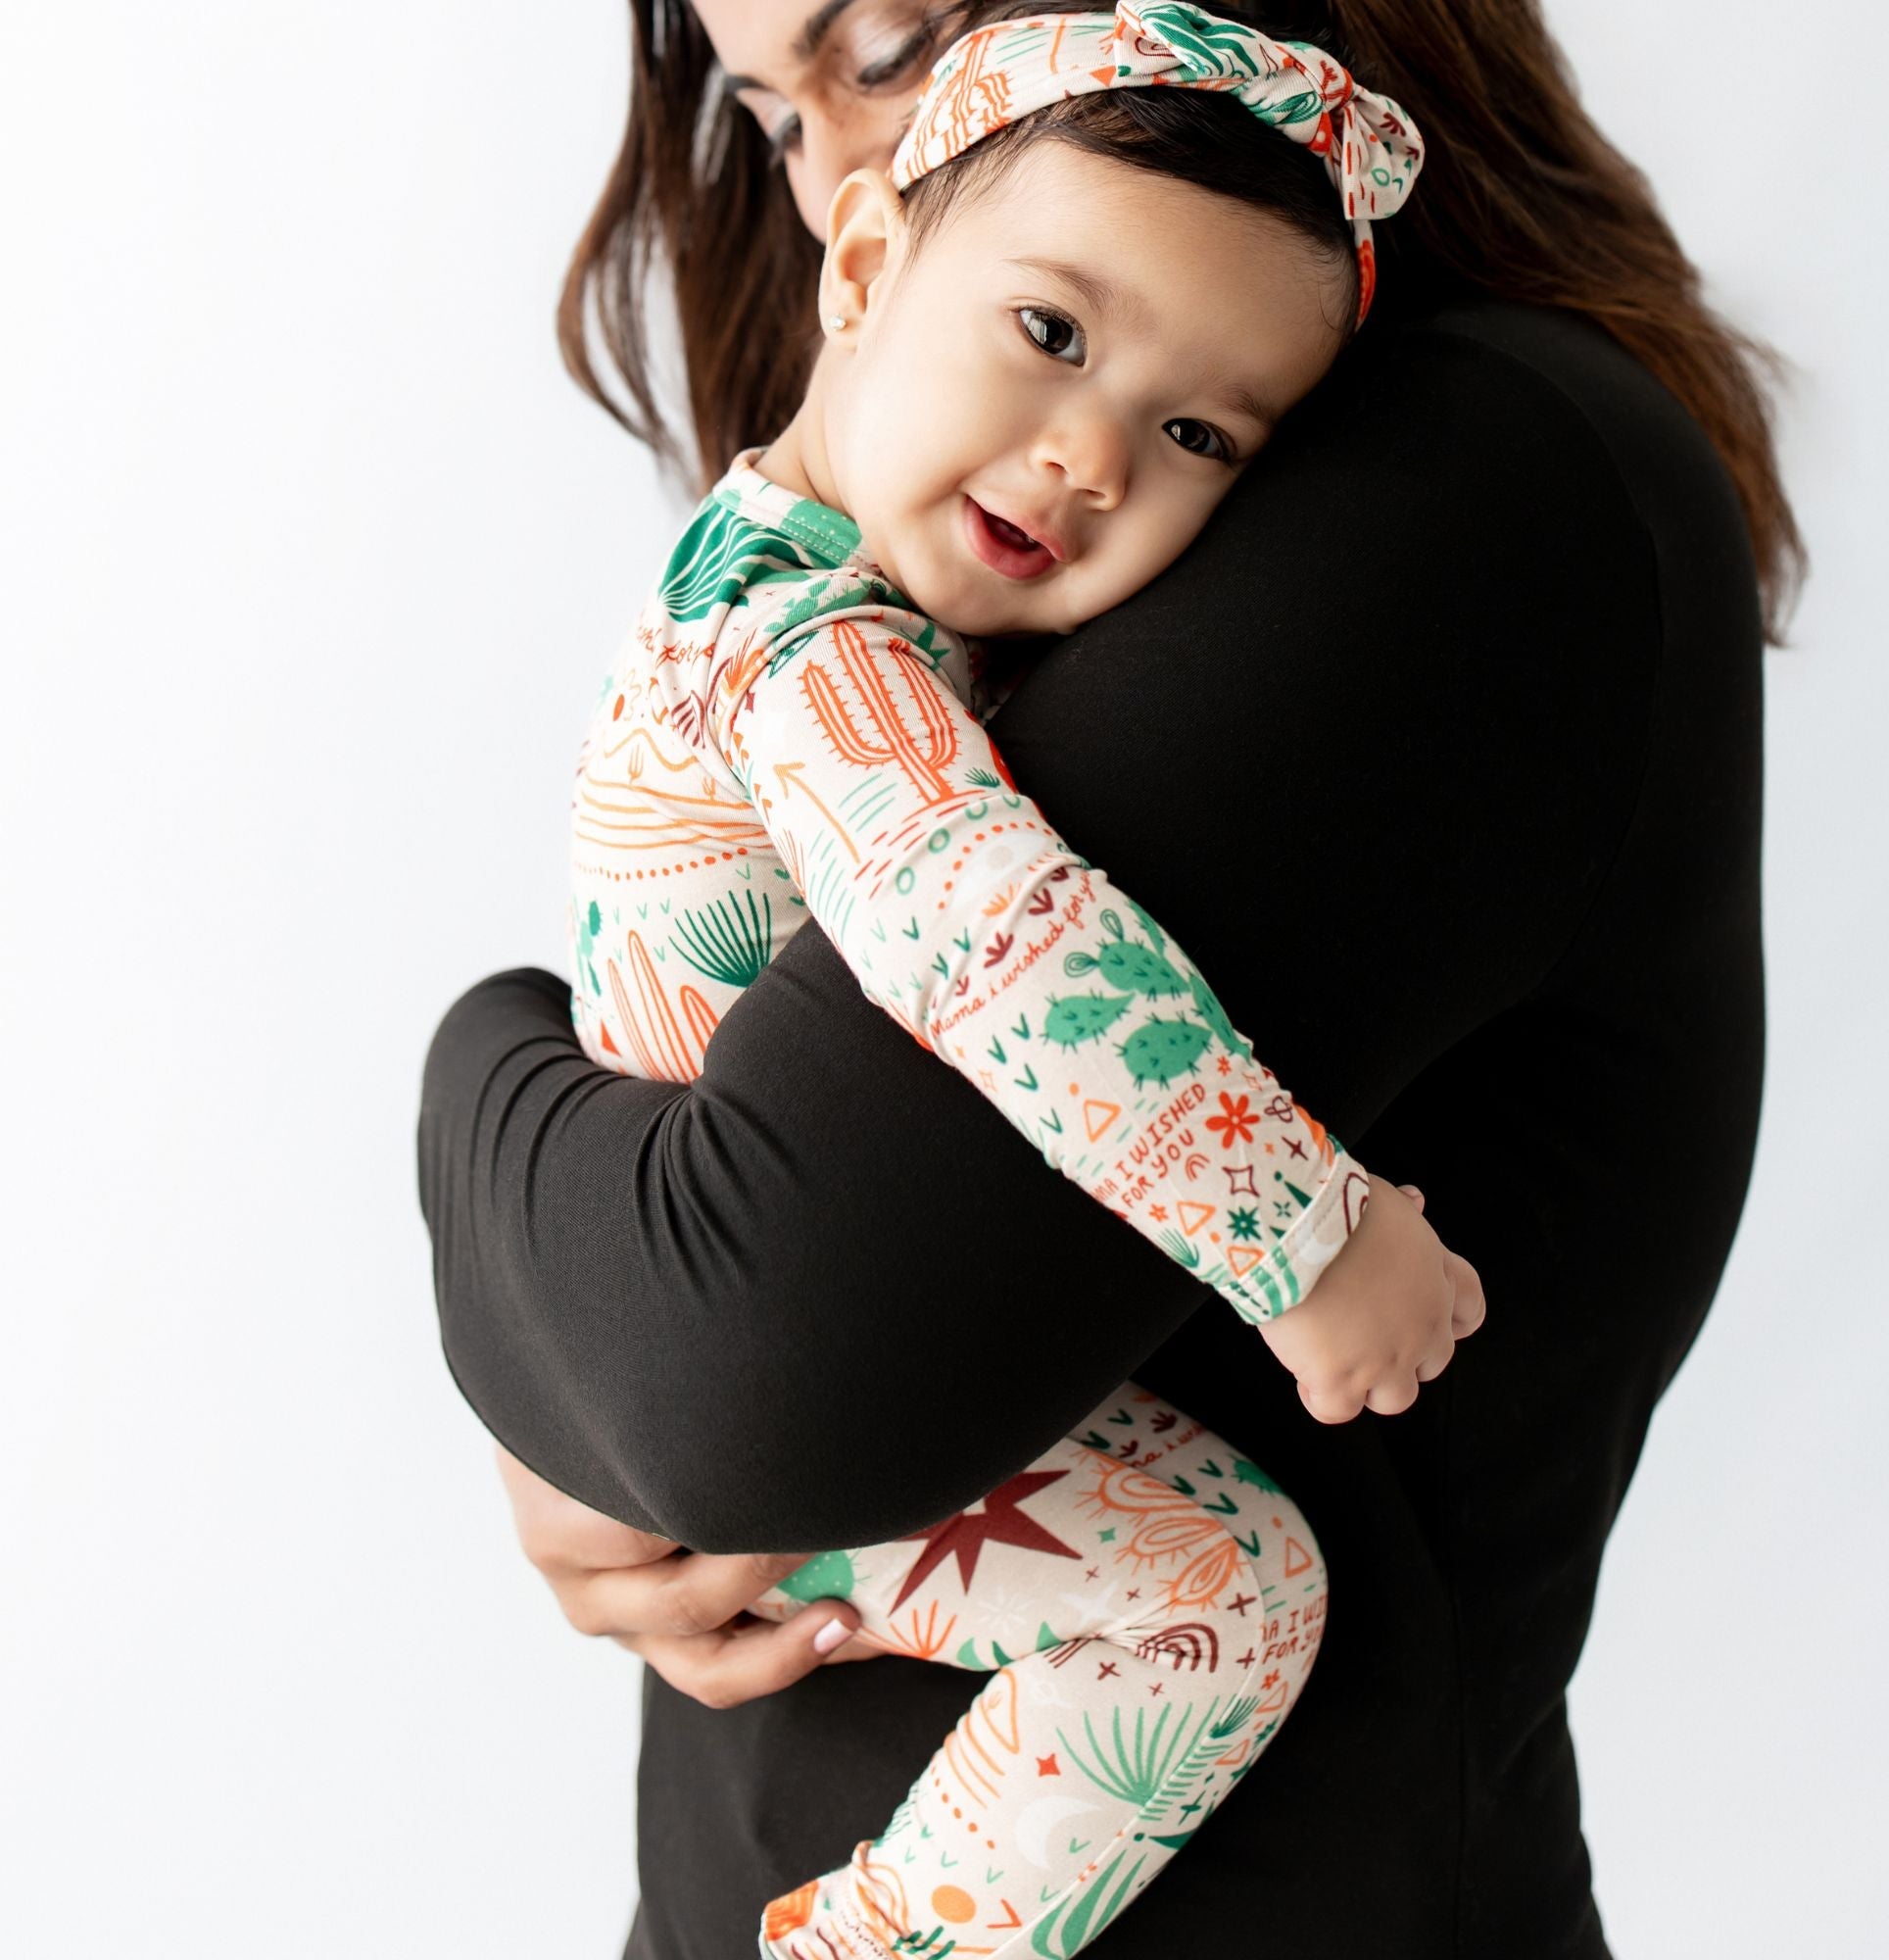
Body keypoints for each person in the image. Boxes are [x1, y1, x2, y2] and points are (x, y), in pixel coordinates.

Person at [416, 1, 1797, 1952]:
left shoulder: (1455, 477)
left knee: (1218, 1590)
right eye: (771, 110)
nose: (825, 170)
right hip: (750, 1877)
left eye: (884, 43)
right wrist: (574, 1338)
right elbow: (726, 1322)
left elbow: (744, 1356)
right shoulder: (840, 619)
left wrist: (507, 1165)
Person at [563, 14, 1484, 1949]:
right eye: (1051, 332)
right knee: (1219, 1595)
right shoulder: (812, 655)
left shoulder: (777, 577)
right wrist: (1306, 1239)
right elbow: (1004, 945)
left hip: (743, 1373)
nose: (1089, 459)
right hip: (787, 1402)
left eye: (1199, 435)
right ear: (867, 262)